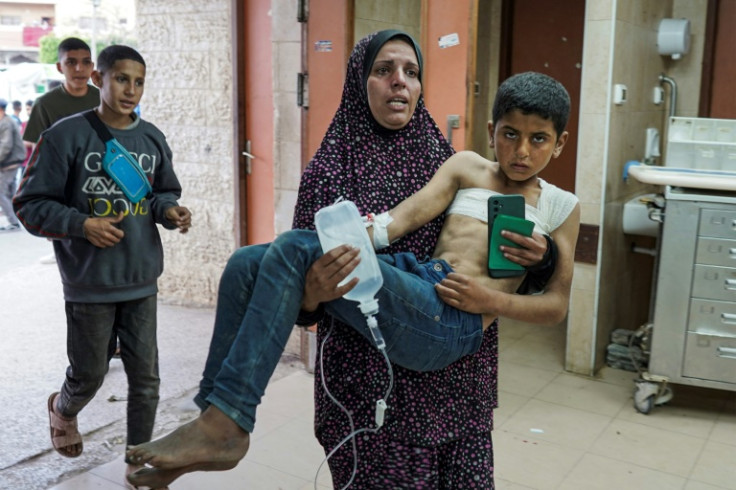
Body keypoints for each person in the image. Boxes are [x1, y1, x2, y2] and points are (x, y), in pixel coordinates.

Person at [124, 40, 578, 488]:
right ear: (359, 81)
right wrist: (323, 277)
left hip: (452, 359)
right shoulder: (352, 168)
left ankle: (226, 424)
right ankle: (217, 417)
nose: (399, 82)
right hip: (377, 363)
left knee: (294, 247)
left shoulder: (446, 155)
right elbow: (393, 224)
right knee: (246, 263)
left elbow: (546, 291)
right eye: (384, 70)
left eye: (411, 72)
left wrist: (541, 261)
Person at [13, 45, 192, 488]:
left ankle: (138, 458)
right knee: (90, 374)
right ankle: (63, 408)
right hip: (89, 282)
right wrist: (82, 224)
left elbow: (160, 193)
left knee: (146, 380)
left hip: (141, 277)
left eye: (139, 81)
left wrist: (169, 211)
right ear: (99, 79)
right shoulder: (66, 136)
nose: (131, 89)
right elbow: (29, 204)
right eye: (121, 79)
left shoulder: (151, 138)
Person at [0, 99, 26, 232]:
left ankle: (14, 222)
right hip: (10, 162)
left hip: (10, 162)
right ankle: (16, 220)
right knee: (9, 193)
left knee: (1, 192)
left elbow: (6, 145)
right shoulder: (6, 121)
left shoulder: (6, 123)